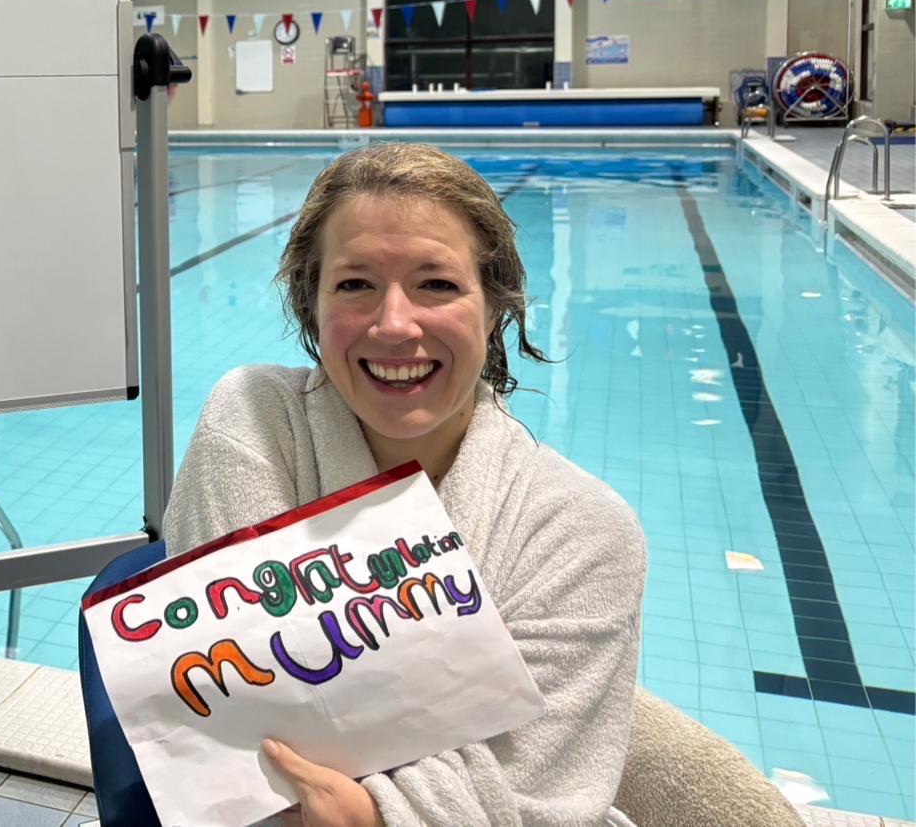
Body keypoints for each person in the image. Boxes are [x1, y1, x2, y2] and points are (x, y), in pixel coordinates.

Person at [162, 143, 646, 827]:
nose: (394, 324)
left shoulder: (579, 530)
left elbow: (543, 803)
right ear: (312, 303)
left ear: (494, 307)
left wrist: (367, 812)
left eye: (437, 284)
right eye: (355, 284)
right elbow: (229, 733)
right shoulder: (255, 422)